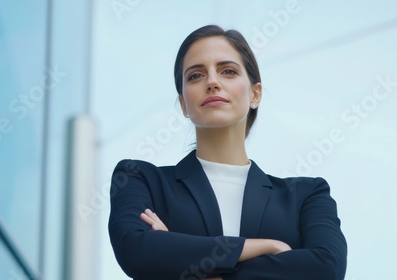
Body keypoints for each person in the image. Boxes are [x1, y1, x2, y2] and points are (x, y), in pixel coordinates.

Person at [108, 25, 347, 280]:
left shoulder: (306, 196)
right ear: (183, 104)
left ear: (255, 93)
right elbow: (136, 250)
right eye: (195, 76)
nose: (212, 82)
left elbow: (326, 268)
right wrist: (266, 248)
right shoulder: (140, 179)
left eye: (228, 71)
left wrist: (185, 263)